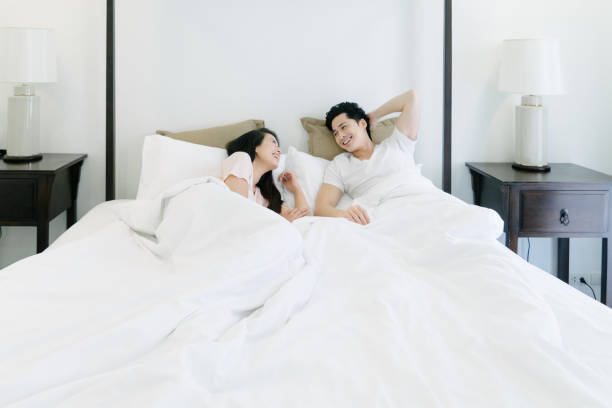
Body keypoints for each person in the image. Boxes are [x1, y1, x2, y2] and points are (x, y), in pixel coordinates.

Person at [314, 90, 421, 225]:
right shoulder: (339, 165)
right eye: (335, 133)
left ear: (363, 124)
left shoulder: (397, 144)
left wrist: (375, 115)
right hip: (382, 216)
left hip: (419, 199)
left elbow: (412, 97)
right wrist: (346, 214)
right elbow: (321, 209)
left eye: (343, 127)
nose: (340, 136)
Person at [217, 128, 310, 222]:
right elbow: (239, 212)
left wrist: (296, 189)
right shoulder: (241, 158)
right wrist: (282, 222)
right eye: (274, 142)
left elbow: (302, 221)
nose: (279, 151)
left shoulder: (261, 196)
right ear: (256, 146)